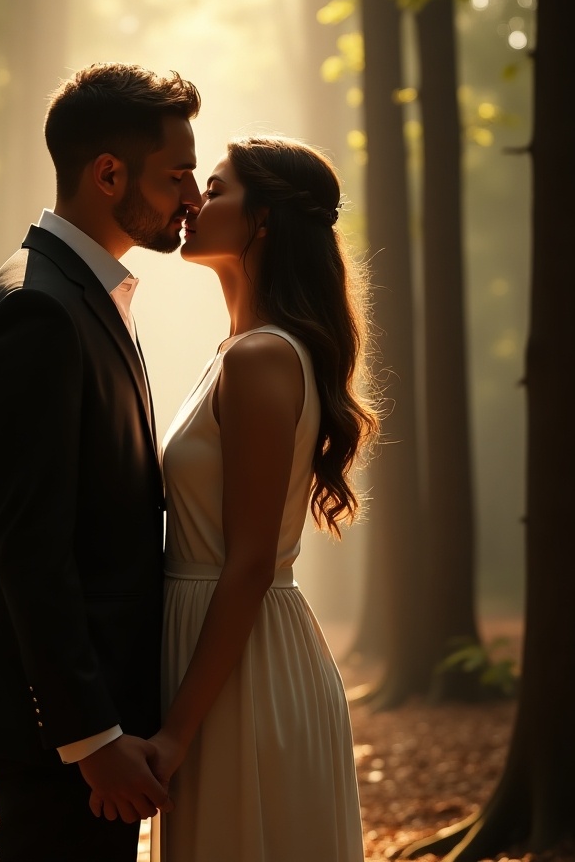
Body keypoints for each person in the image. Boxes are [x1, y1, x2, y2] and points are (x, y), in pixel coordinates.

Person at [0, 62, 201, 862]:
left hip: (90, 721)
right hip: (60, 735)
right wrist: (93, 739)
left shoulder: (82, 294)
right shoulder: (38, 312)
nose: (191, 195)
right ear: (108, 173)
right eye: (178, 174)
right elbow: (30, 550)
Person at [146, 136, 378, 860]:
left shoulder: (262, 357)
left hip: (245, 670)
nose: (192, 202)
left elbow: (248, 562)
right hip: (221, 654)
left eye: (215, 191)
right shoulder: (236, 352)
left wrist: (175, 732)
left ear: (265, 218)